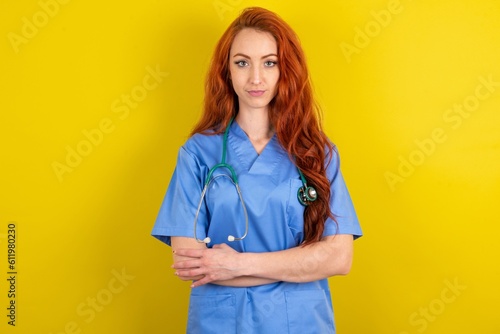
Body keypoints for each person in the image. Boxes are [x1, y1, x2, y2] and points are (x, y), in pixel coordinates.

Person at [152, 7, 362, 333]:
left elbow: (338, 259)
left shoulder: (317, 153)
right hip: (221, 321)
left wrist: (235, 265)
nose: (256, 78)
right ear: (227, 71)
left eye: (269, 62)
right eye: (242, 62)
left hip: (300, 322)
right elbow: (192, 264)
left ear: (285, 70)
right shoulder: (197, 153)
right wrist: (298, 265)